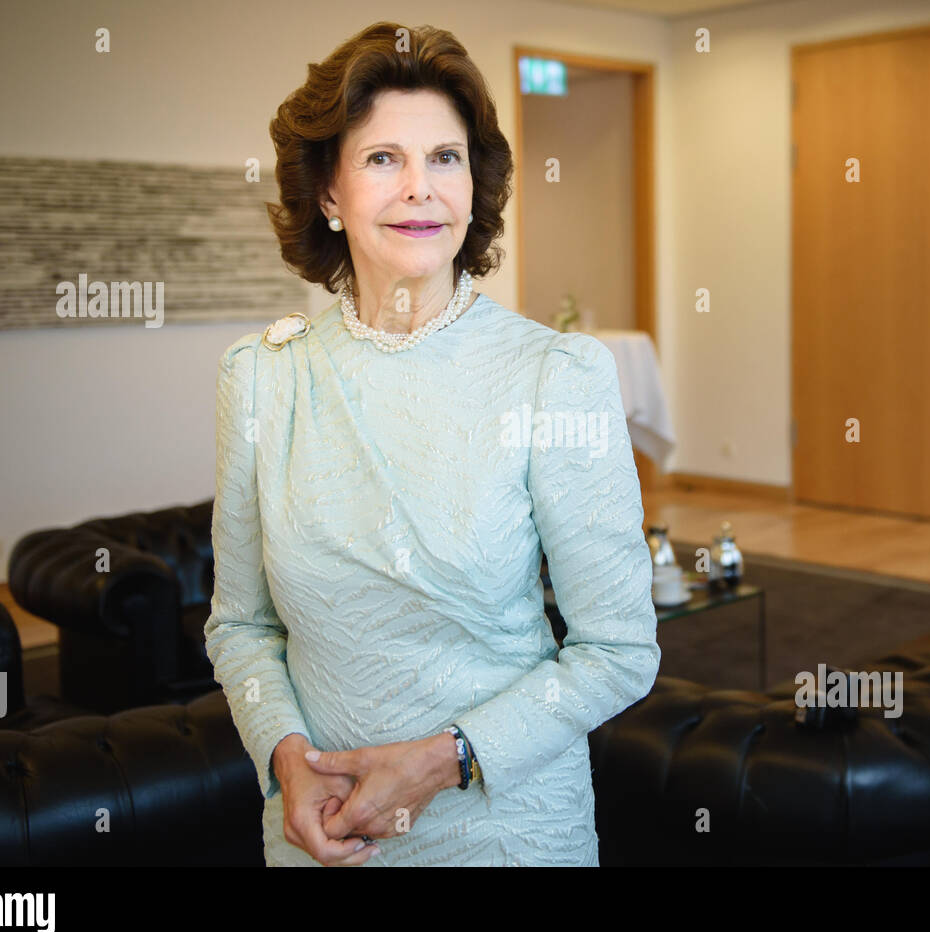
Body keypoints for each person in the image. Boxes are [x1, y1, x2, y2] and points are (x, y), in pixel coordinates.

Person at [203, 21, 660, 866]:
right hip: (323, 828)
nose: (421, 189)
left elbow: (619, 651)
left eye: (445, 158)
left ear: (475, 184)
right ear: (330, 193)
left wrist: (439, 761)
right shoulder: (261, 378)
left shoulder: (556, 374)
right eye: (383, 159)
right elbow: (240, 625)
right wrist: (284, 758)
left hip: (507, 826)